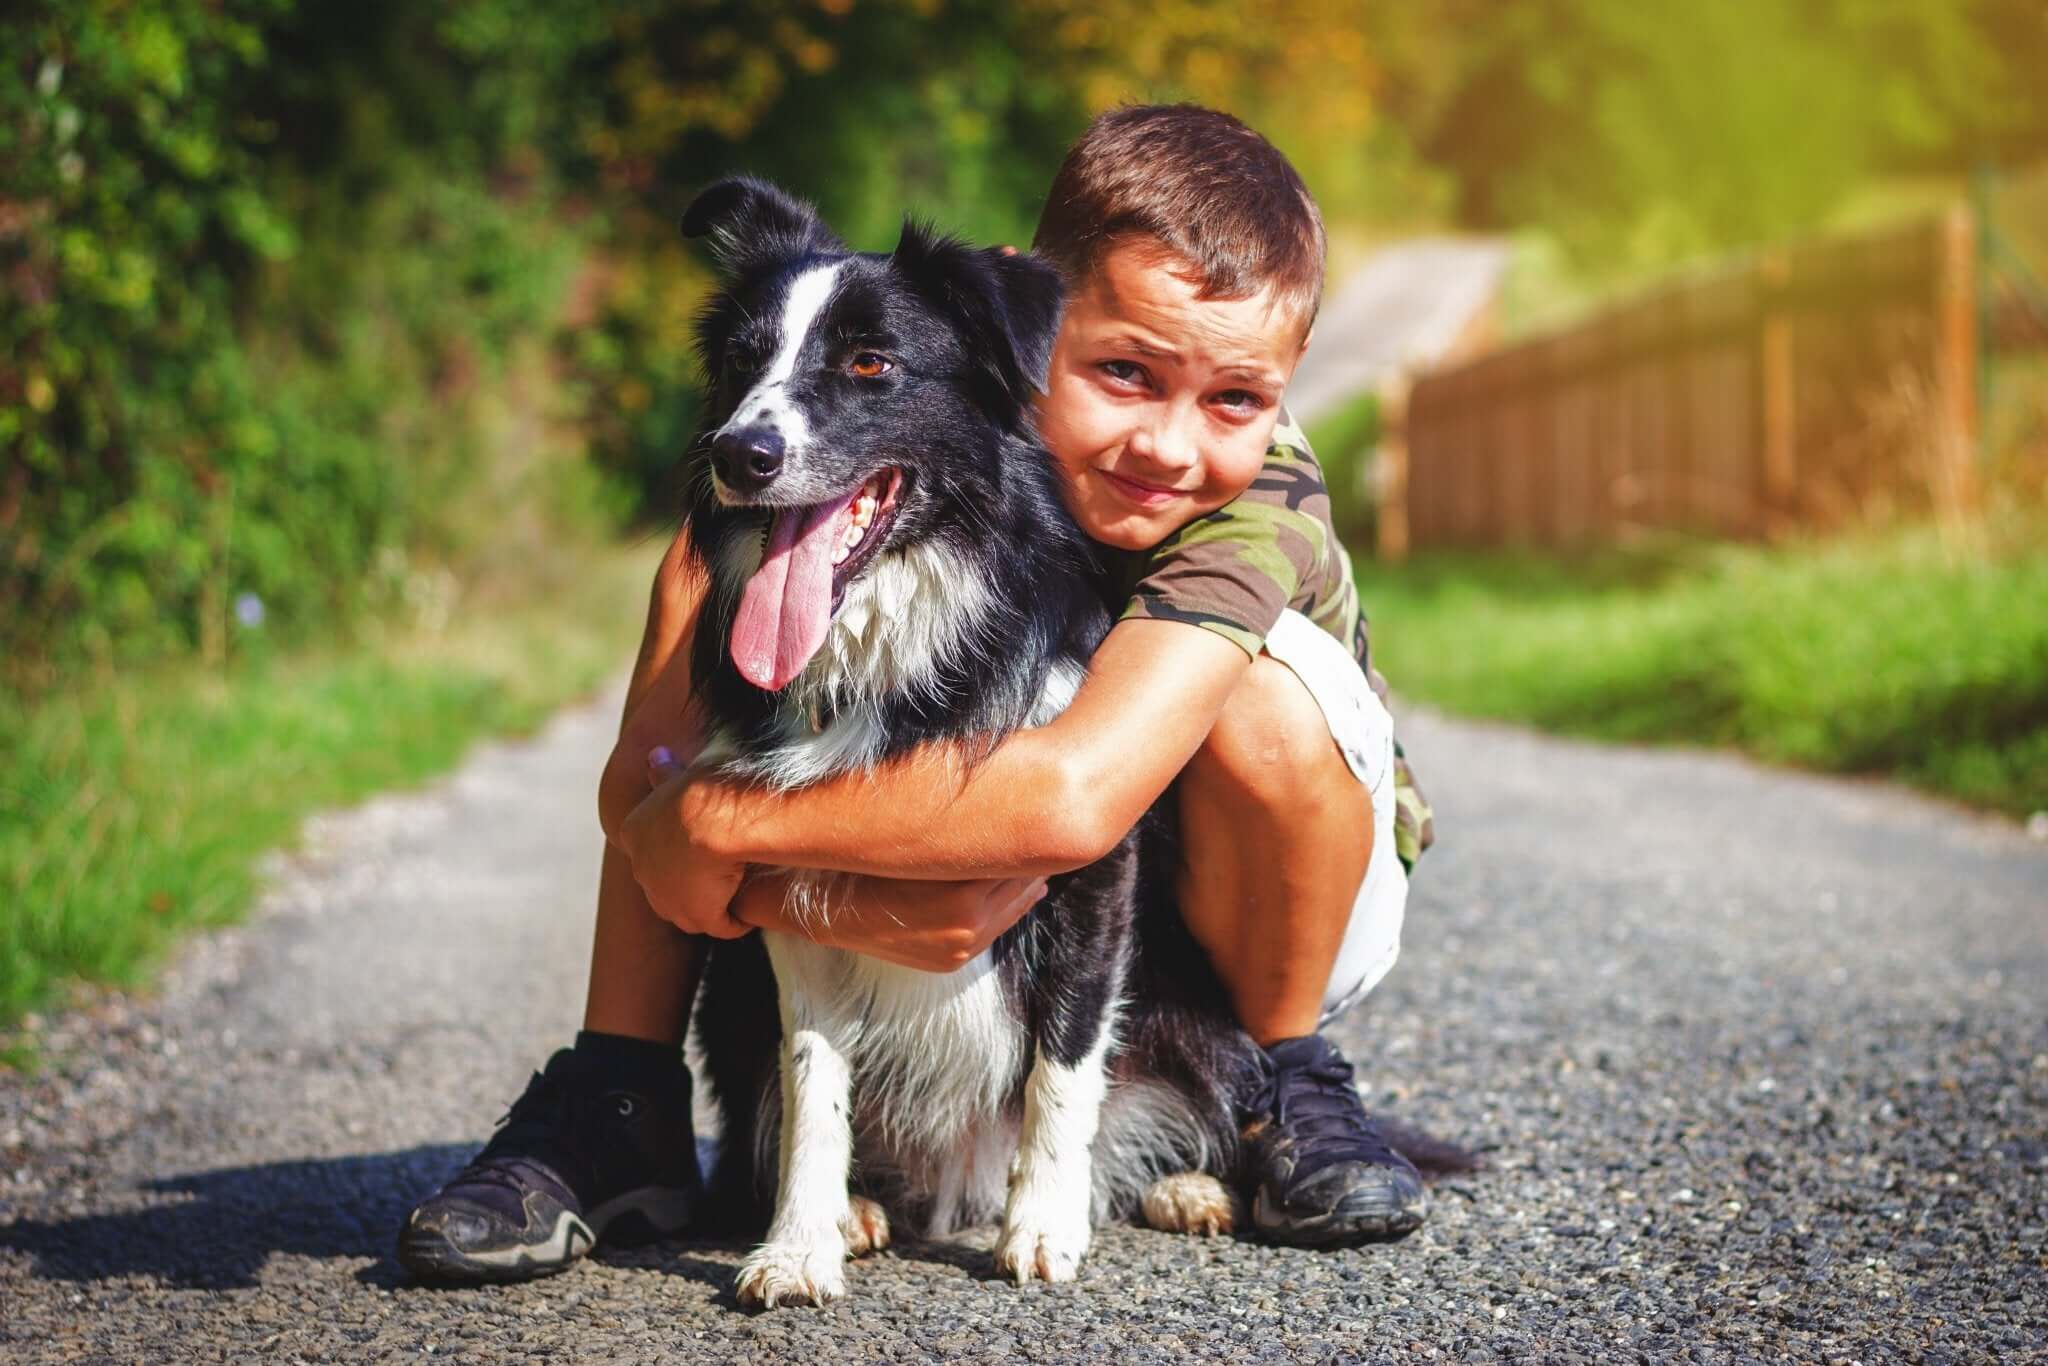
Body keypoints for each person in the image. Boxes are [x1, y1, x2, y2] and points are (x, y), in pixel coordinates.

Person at [398, 103, 1437, 1285]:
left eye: (1232, 402)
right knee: (748, 528)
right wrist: (711, 799)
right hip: (1010, 851)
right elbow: (636, 777)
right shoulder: (953, 335)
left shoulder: (1252, 501)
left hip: (1244, 893)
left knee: (1260, 696)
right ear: (1039, 318)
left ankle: (1280, 1084)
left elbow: (1070, 803)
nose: (1165, 442)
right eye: (1119, 373)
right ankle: (616, 1090)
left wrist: (715, 822)